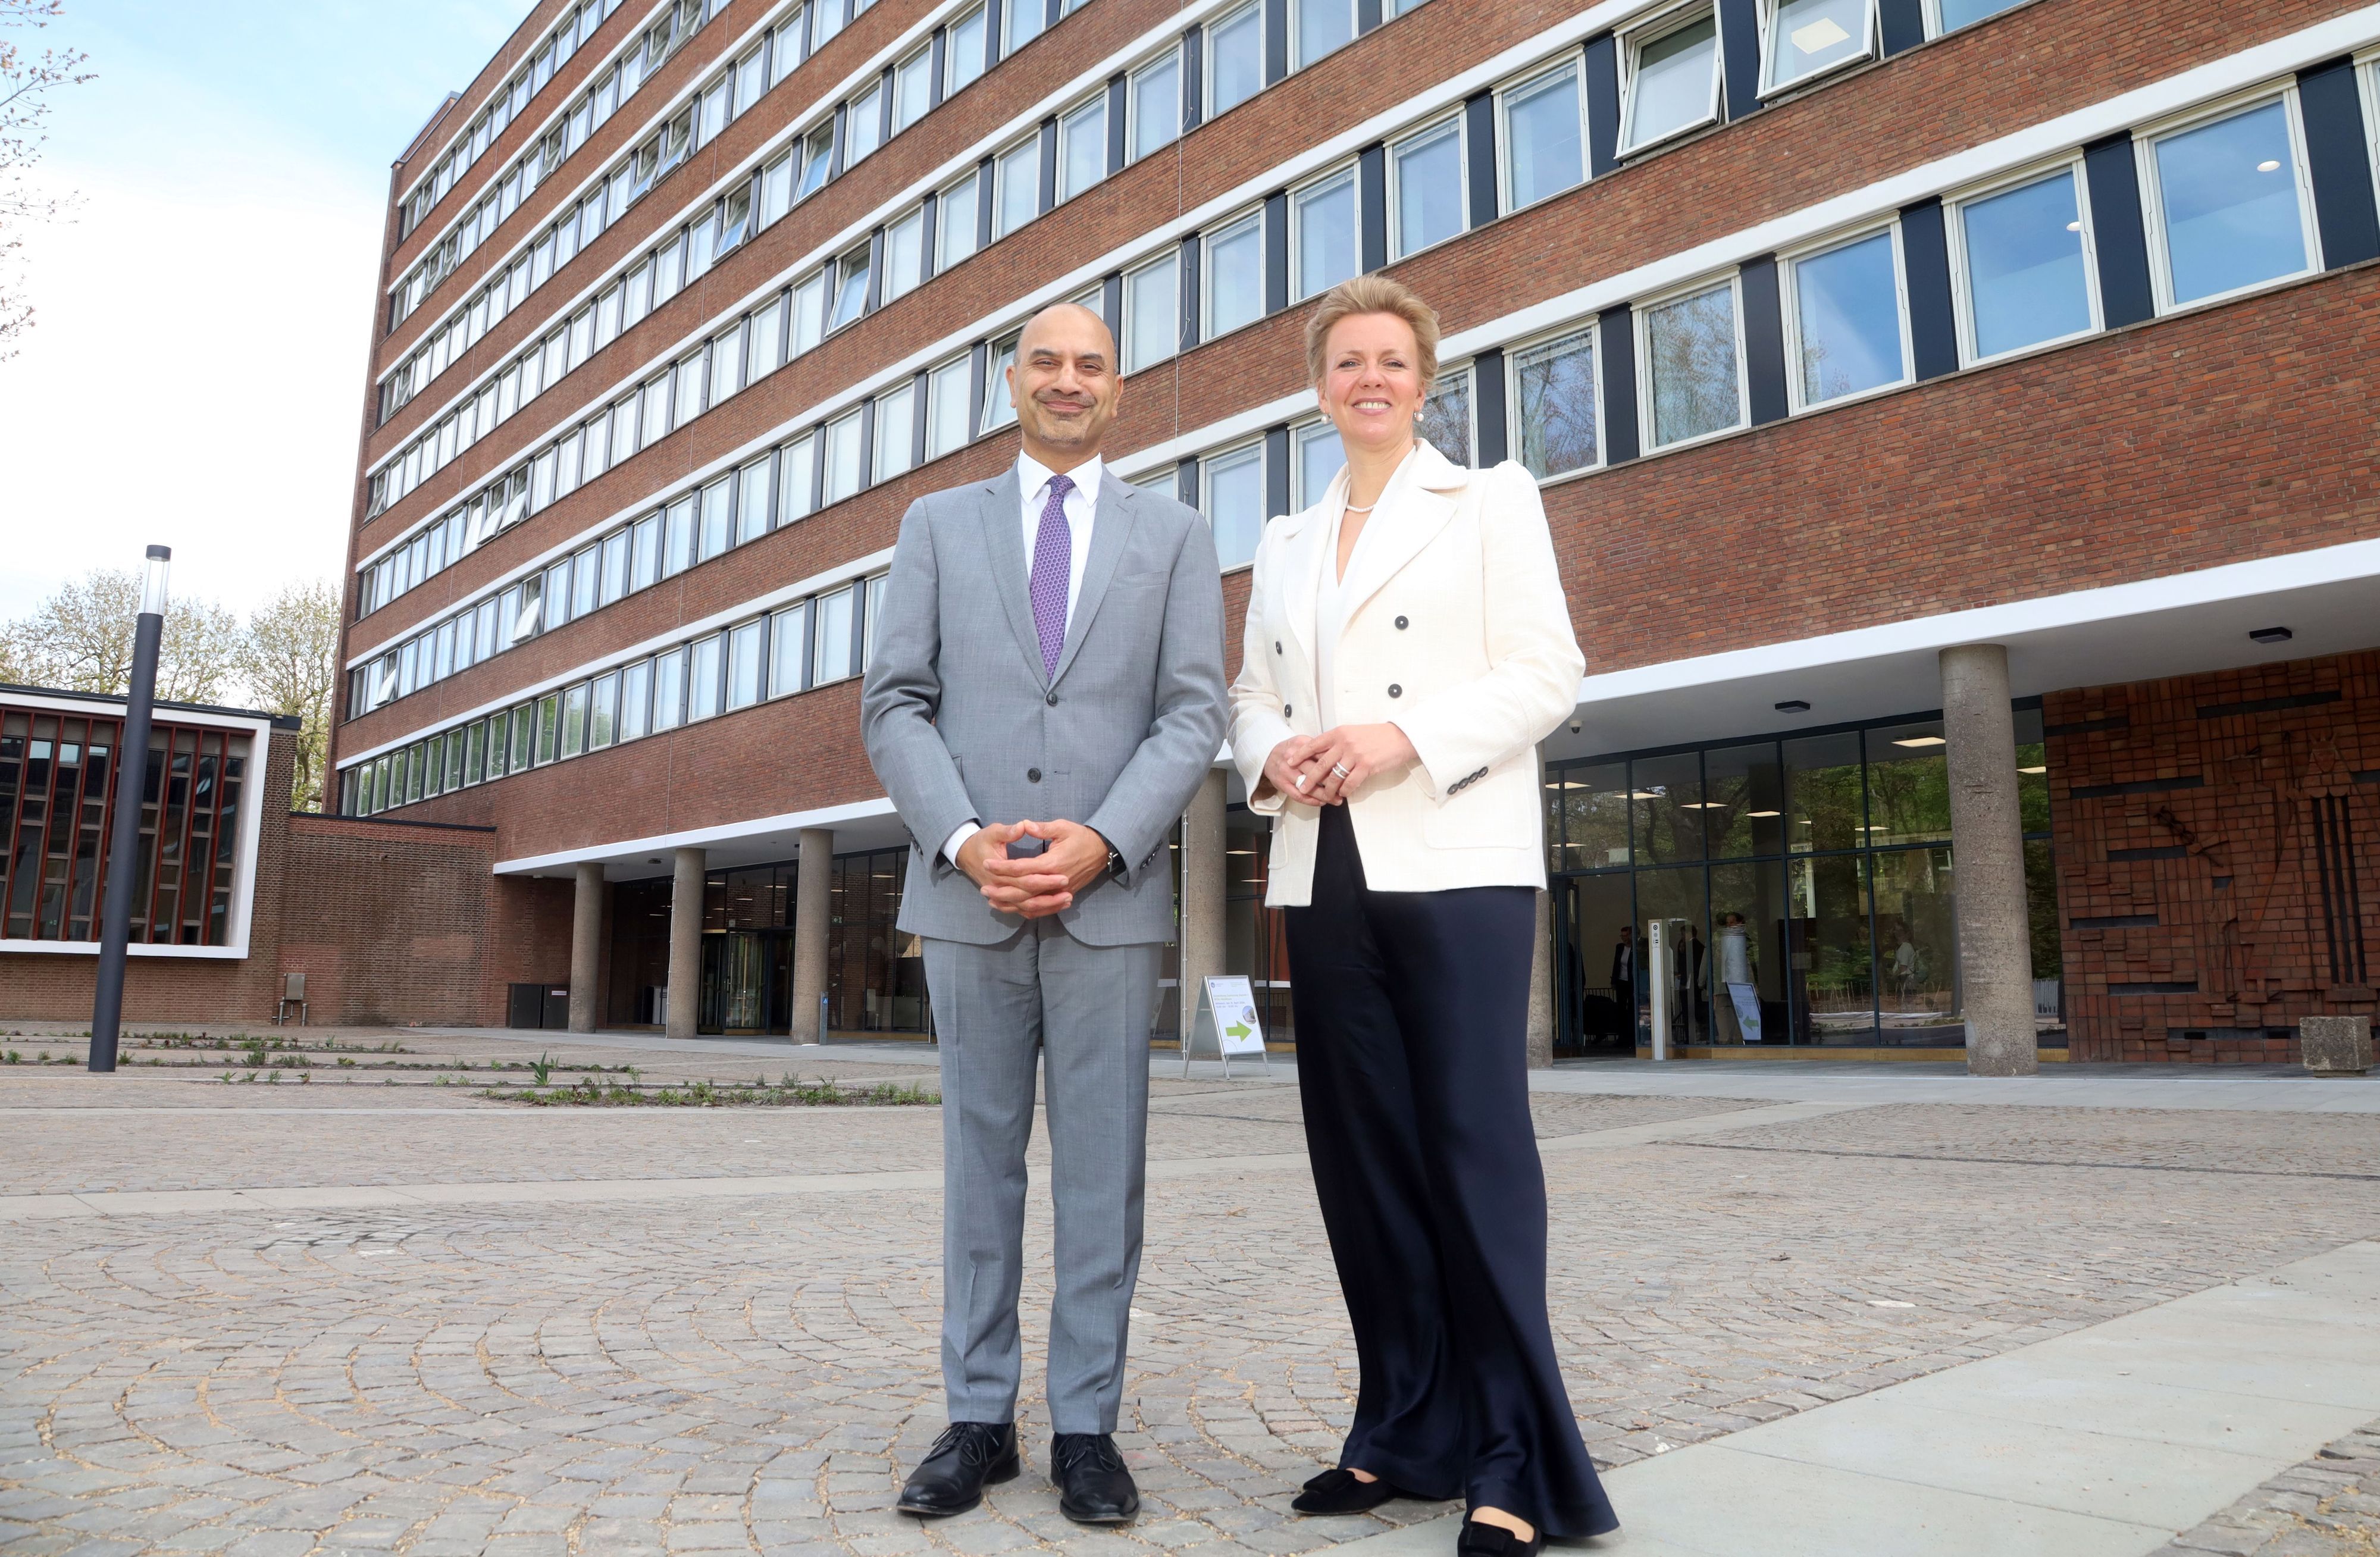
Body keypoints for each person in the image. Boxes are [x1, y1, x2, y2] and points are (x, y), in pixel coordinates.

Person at [1226, 275, 1616, 1555]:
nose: (1369, 378)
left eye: (1391, 358)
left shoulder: (1489, 495)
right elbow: (1247, 693)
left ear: (1424, 378)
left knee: (1471, 1153)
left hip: (1453, 857)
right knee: (1364, 1163)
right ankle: (1401, 1427)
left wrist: (1403, 735)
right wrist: (1268, 754)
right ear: (1318, 383)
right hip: (1321, 866)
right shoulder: (1283, 538)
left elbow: (1546, 673)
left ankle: (1511, 1456)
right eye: (1346, 360)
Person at [862, 302, 1227, 1526]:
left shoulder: (1172, 535)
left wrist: (1104, 836)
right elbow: (896, 703)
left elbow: (1190, 713)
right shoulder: (933, 526)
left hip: (1105, 905)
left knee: (1100, 1181)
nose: (1068, 381)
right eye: (1046, 362)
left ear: (1117, 389)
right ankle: (977, 1420)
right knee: (979, 1172)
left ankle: (1085, 1429)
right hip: (969, 906)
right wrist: (966, 843)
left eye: (1091, 365)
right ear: (1008, 380)